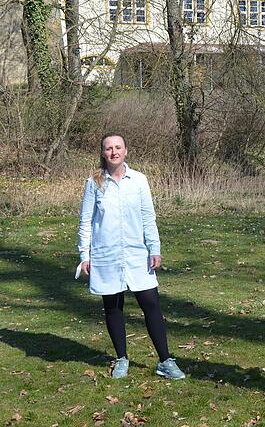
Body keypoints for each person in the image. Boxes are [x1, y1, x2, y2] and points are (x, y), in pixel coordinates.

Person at [77, 133, 185, 380]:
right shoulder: (94, 183)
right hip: (106, 255)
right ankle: (122, 359)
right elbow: (85, 221)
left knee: (152, 305)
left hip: (137, 255)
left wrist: (154, 248)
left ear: (125, 150)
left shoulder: (138, 180)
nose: (114, 152)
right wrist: (85, 255)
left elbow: (148, 216)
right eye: (108, 148)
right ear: (102, 153)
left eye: (118, 147)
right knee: (113, 307)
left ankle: (165, 361)